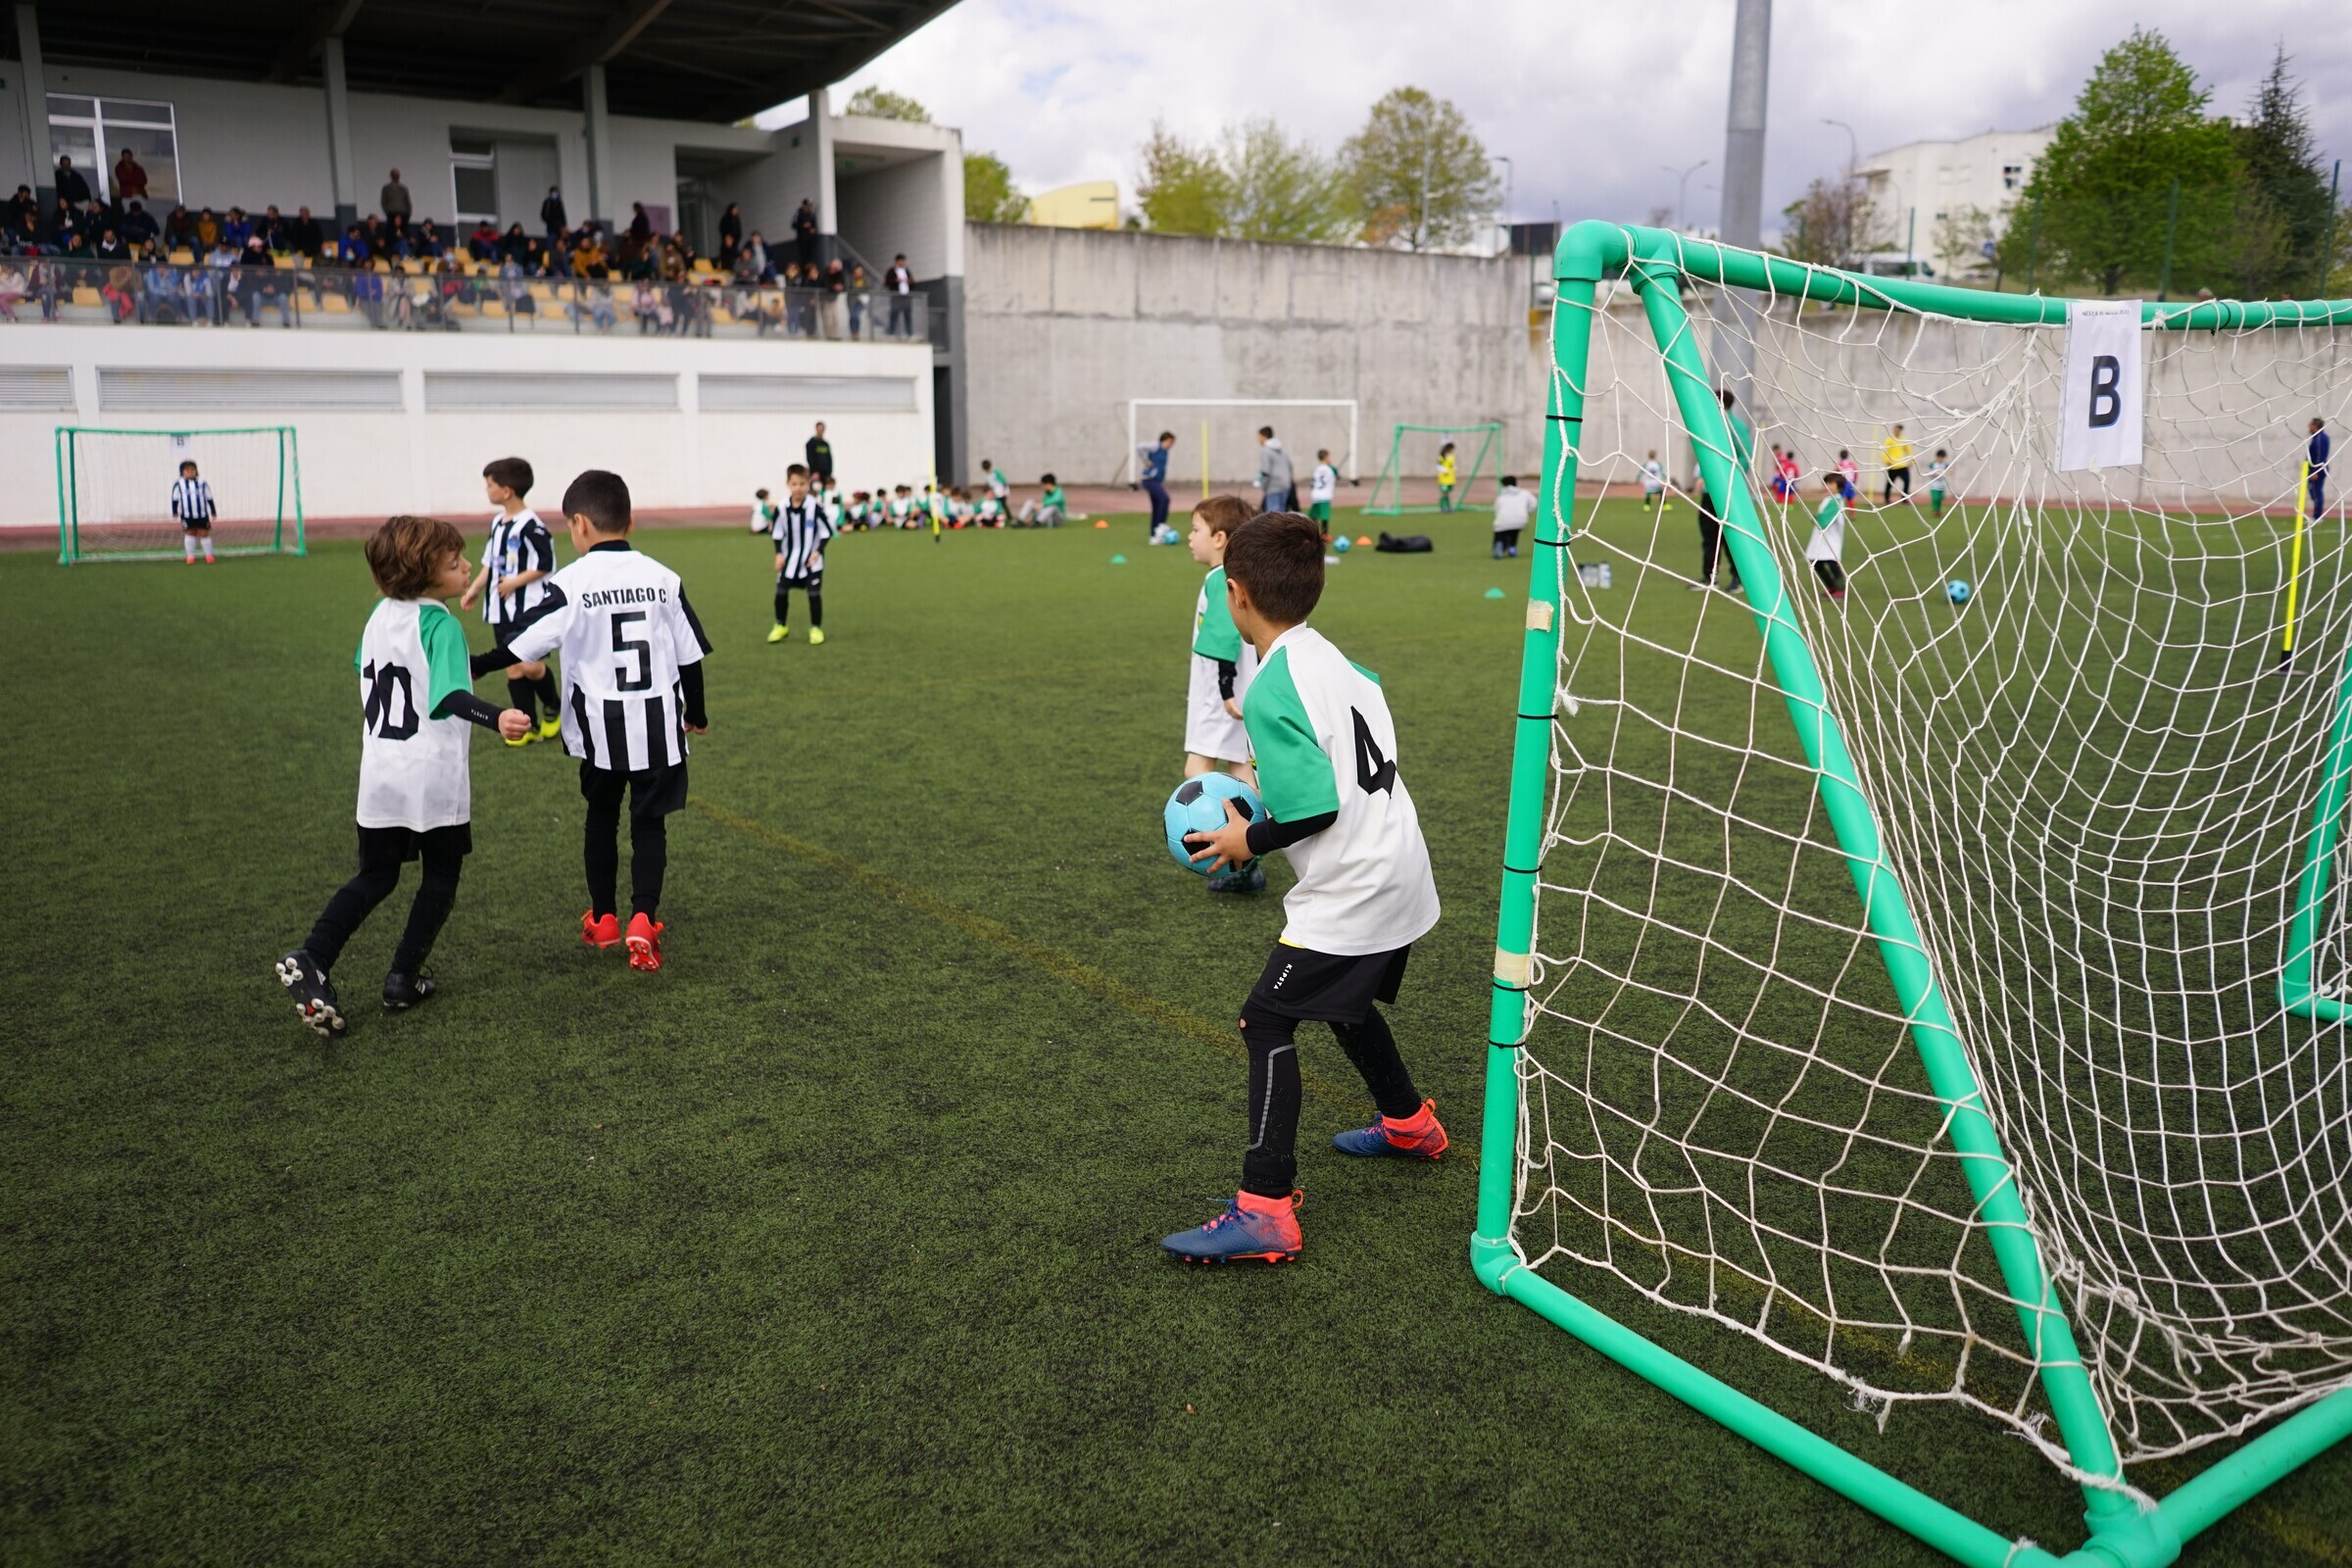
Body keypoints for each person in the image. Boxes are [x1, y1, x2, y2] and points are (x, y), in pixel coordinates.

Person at [1163, 510, 1446, 1264]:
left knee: (1265, 1020)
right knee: (1343, 1003)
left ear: (1237, 594)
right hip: (1400, 863)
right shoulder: (1336, 661)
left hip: (1355, 885)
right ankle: (1409, 1123)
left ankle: (1265, 1208)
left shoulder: (1269, 689)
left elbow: (1315, 807)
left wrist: (1244, 841)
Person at [273, 515, 533, 1037]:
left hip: (380, 773)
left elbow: (375, 668)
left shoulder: (379, 616)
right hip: (432, 778)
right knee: (442, 874)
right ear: (423, 575)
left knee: (376, 875)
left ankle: (314, 955)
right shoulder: (442, 625)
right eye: (454, 563)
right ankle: (402, 978)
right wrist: (497, 716)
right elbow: (448, 695)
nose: (466, 567)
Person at [467, 469, 712, 971]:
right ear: (631, 522)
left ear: (579, 524)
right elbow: (690, 657)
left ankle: (603, 920)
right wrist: (698, 714)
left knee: (601, 818)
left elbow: (520, 646)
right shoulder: (663, 578)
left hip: (599, 731)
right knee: (649, 824)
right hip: (657, 726)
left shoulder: (571, 583)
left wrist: (471, 666)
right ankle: (643, 919)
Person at [1182, 496, 1262, 880]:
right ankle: (1248, 855)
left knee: (1196, 768)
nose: (1189, 537)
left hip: (1221, 699)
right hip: (1234, 694)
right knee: (1240, 768)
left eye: (1195, 529)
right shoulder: (1230, 579)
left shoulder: (1220, 580)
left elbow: (1224, 637)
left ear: (1219, 538)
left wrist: (1226, 690)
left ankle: (1227, 857)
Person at [459, 457, 564, 745]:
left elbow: (545, 563)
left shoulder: (532, 525)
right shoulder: (497, 523)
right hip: (500, 609)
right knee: (513, 667)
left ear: (506, 491)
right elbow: (491, 563)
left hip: (527, 609)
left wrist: (516, 582)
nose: (487, 490)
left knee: (530, 666)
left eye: (490, 485)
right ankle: (528, 726)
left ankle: (554, 706)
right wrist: (475, 588)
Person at [766, 464, 834, 645]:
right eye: (794, 484)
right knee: (781, 592)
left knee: (813, 594)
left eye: (802, 484)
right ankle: (780, 626)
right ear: (788, 484)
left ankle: (815, 628)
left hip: (811, 560)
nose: (798, 488)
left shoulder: (815, 506)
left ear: (808, 483)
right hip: (789, 559)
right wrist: (778, 554)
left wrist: (818, 552)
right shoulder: (782, 507)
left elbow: (826, 532)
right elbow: (777, 532)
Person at [1808, 471, 1847, 601]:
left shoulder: (1836, 500)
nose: (1827, 486)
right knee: (1817, 562)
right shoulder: (1829, 499)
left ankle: (1839, 590)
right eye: (1826, 483)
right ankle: (1832, 587)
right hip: (1822, 537)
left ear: (1839, 486)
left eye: (1831, 483)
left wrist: (1815, 519)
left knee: (1831, 563)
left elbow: (1824, 520)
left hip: (1830, 538)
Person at [172, 459, 217, 564]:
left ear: (196, 471)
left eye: (192, 470)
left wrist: (213, 511)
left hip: (202, 515)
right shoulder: (179, 484)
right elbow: (175, 499)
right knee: (189, 533)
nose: (190, 472)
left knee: (204, 533)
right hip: (187, 515)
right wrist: (175, 512)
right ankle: (190, 556)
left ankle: (209, 556)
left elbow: (209, 497)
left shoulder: (202, 483)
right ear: (182, 472)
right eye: (187, 470)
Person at [1140, 430, 1174, 538]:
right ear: (1166, 440)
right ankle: (1160, 526)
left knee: (1156, 506)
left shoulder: (1165, 452)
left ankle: (1154, 535)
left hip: (1156, 481)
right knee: (1164, 499)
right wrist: (1145, 460)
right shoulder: (1155, 446)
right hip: (1149, 480)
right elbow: (1139, 447)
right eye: (1170, 442)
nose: (1171, 445)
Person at [1492, 473, 1535, 559]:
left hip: (1503, 521)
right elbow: (1534, 503)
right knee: (1514, 531)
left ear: (1504, 485)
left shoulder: (1502, 496)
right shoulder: (1525, 493)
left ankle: (1499, 545)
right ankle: (1512, 547)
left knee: (1500, 532)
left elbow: (1496, 508)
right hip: (1521, 520)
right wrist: (1527, 512)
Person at [1255, 427, 1294, 513]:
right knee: (1281, 514)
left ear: (1264, 436)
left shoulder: (1265, 451)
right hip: (1285, 485)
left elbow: (1266, 471)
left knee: (1272, 516)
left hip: (1273, 486)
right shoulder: (1282, 450)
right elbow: (1290, 466)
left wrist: (1263, 486)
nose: (1258, 440)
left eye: (1259, 437)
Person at [1306, 449, 1338, 535]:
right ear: (1327, 457)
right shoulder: (1331, 468)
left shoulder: (1316, 469)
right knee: (1324, 516)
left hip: (1316, 495)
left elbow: (1312, 482)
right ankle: (1325, 535)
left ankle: (1311, 534)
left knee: (1313, 516)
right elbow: (1337, 474)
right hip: (1325, 495)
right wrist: (1330, 463)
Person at [1882, 423, 1913, 504]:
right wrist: (1887, 461)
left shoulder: (1903, 440)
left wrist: (1911, 461)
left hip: (1902, 465)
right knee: (1890, 483)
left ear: (1900, 430)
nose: (1896, 431)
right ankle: (1887, 499)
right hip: (1893, 465)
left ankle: (1904, 498)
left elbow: (1908, 451)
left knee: (1907, 480)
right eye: (1895, 429)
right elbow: (1884, 451)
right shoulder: (1889, 440)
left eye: (1898, 430)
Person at [883, 253, 913, 336]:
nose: (902, 262)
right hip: (896, 296)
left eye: (903, 261)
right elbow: (887, 282)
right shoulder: (892, 271)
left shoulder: (906, 270)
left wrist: (909, 281)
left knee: (907, 315)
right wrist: (895, 280)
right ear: (897, 261)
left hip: (906, 296)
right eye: (901, 261)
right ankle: (891, 332)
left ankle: (909, 333)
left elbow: (912, 282)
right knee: (894, 314)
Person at [2310, 417, 2331, 516]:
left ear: (2315, 426)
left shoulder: (2320, 439)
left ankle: (2317, 516)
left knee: (2316, 492)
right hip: (2318, 468)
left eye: (2311, 425)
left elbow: (2320, 456)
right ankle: (2317, 515)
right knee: (2314, 491)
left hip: (2318, 469)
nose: (2309, 428)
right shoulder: (2319, 438)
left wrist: (2316, 471)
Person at [792, 198, 818, 270]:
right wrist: (803, 226)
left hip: (811, 239)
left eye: (810, 206)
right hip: (802, 240)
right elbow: (793, 225)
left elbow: (815, 226)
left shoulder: (812, 215)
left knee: (811, 257)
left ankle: (810, 269)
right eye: (807, 206)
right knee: (803, 258)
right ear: (804, 206)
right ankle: (804, 271)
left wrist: (814, 230)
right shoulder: (798, 213)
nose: (809, 208)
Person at [805, 421, 834, 485]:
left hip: (826, 474)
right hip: (816, 475)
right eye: (819, 429)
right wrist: (814, 471)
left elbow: (829, 459)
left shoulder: (826, 444)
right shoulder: (811, 443)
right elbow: (810, 458)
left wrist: (830, 472)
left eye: (822, 429)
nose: (820, 431)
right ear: (816, 429)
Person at [1641, 450, 1667, 514]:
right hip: (1656, 482)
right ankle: (1664, 505)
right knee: (1661, 492)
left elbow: (1641, 472)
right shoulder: (1657, 464)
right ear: (1655, 455)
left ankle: (1647, 506)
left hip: (1648, 482)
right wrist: (1665, 478)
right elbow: (1662, 472)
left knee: (1648, 493)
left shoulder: (1646, 464)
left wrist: (1637, 479)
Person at [1926, 450, 1950, 518]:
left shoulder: (1945, 465)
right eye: (1939, 457)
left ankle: (1938, 510)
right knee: (1935, 498)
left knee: (1940, 499)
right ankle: (1935, 510)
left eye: (1942, 457)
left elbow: (1950, 471)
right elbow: (1928, 472)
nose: (1940, 459)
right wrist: (1935, 474)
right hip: (1934, 485)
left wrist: (1947, 473)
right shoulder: (1933, 464)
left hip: (1942, 485)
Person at [1436, 441, 1458, 513]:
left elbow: (1452, 465)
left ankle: (1448, 507)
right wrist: (1444, 470)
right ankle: (1442, 507)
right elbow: (1438, 466)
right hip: (1444, 478)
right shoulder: (1442, 457)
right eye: (1452, 449)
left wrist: (1455, 468)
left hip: (1450, 478)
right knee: (1444, 493)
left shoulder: (1452, 457)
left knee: (1447, 493)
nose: (1453, 451)